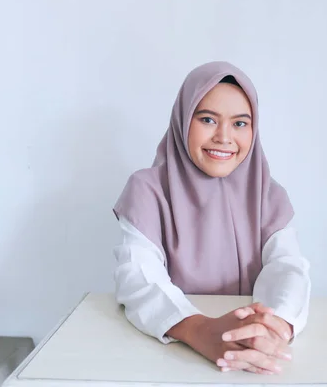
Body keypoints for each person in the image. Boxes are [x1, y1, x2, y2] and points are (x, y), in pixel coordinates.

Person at [112, 61, 311, 375]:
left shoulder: (269, 195)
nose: (224, 137)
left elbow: (287, 267)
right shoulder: (148, 190)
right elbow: (138, 277)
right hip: (168, 358)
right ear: (182, 121)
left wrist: (273, 325)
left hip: (252, 362)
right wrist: (200, 331)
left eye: (240, 124)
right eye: (207, 119)